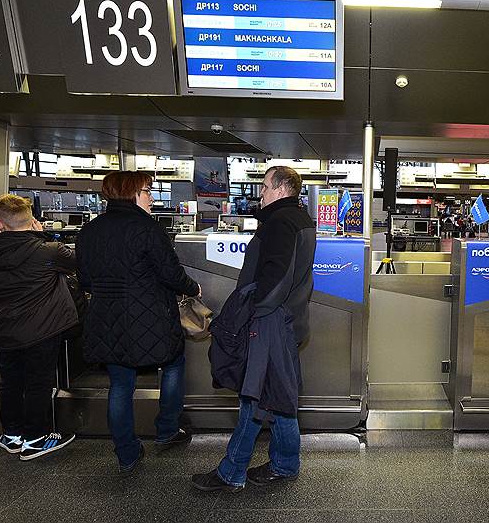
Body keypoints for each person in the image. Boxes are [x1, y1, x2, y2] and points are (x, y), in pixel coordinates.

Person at [192, 165, 316, 493]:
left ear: (281, 188)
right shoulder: (300, 219)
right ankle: (285, 463)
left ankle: (232, 472)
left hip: (270, 321)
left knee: (255, 395)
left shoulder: (280, 222)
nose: (261, 193)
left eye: (265, 186)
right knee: (279, 394)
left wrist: (252, 310)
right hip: (289, 320)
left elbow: (276, 277)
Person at [77, 172, 201, 473]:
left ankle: (127, 452)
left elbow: (85, 280)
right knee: (173, 363)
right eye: (147, 191)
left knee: (120, 384)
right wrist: (193, 288)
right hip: (150, 318)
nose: (151, 197)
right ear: (131, 193)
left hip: (106, 320)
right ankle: (167, 429)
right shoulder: (148, 228)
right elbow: (171, 273)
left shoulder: (90, 230)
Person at [0, 194, 78, 460]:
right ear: (32, 221)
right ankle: (36, 438)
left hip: (2, 329)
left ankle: (12, 434)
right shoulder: (48, 251)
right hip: (42, 329)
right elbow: (76, 264)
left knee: (9, 382)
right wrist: (41, 236)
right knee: (38, 382)